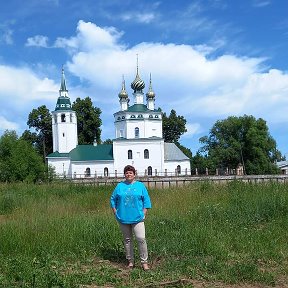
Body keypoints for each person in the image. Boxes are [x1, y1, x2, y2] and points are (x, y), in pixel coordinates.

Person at [110, 165, 152, 270]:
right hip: (123, 218)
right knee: (127, 240)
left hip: (138, 218)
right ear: (124, 174)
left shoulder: (140, 186)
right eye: (127, 173)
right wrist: (115, 211)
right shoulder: (120, 186)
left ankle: (144, 262)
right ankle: (130, 261)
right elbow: (112, 199)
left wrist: (144, 212)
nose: (129, 174)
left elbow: (146, 200)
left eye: (131, 173)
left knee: (141, 239)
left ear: (134, 174)